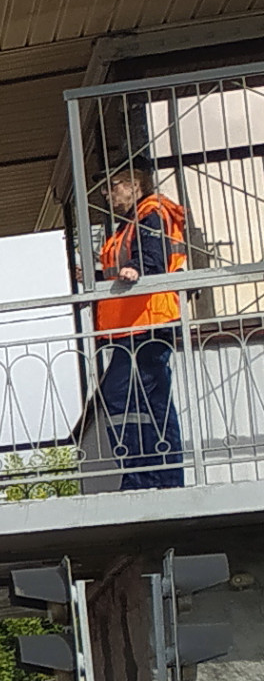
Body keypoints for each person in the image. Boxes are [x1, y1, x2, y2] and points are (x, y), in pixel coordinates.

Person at [90, 165, 189, 491]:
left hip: (147, 324)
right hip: (131, 326)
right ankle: (145, 476)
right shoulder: (130, 223)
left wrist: (136, 269)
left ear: (134, 184)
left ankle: (156, 478)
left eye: (112, 186)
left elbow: (153, 258)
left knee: (141, 400)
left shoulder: (151, 214)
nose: (108, 194)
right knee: (129, 400)